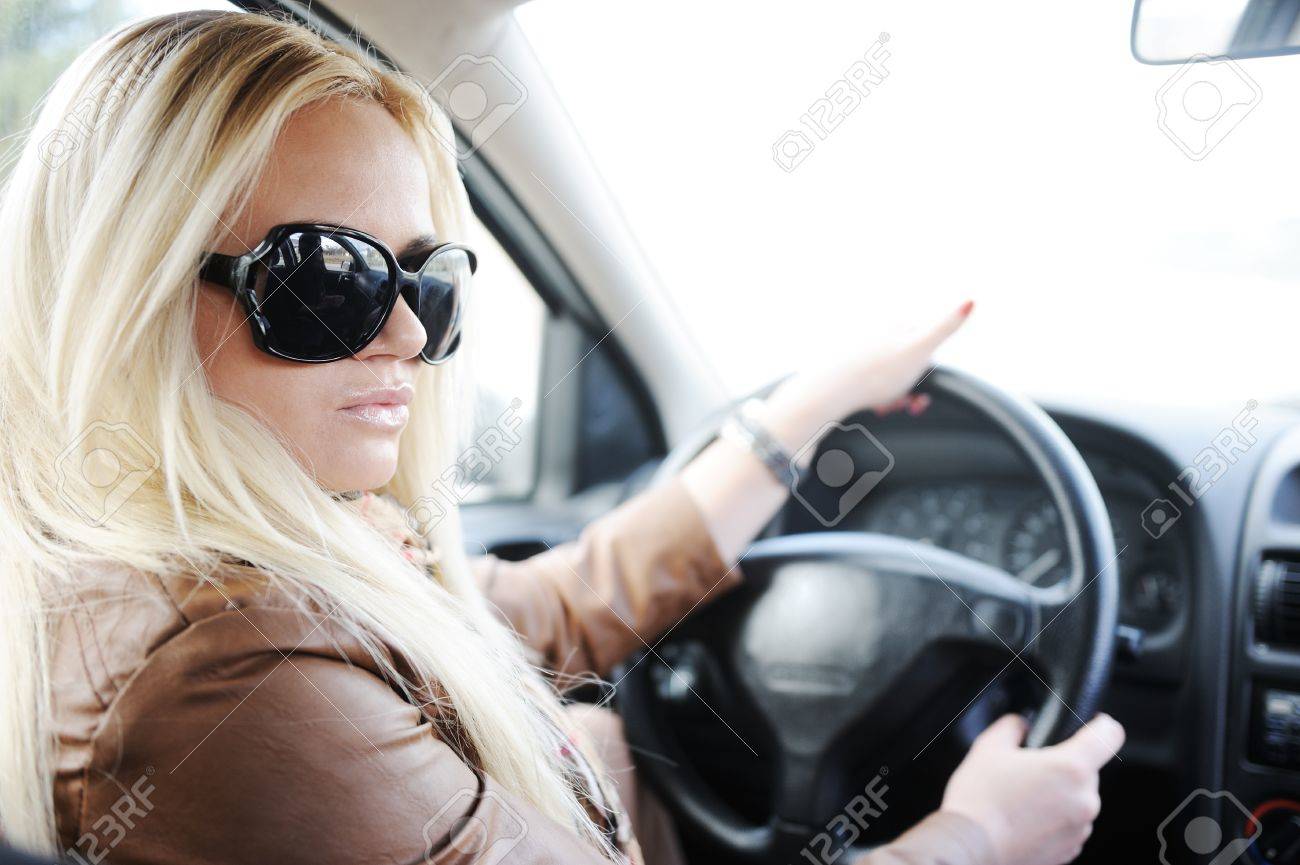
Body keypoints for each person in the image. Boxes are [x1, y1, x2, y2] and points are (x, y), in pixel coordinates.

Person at [0, 11, 1123, 865]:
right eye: (325, 278)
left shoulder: (249, 574)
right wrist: (976, 834)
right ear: (124, 295)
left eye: (425, 279)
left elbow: (544, 611)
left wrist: (805, 410)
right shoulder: (226, 675)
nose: (404, 332)